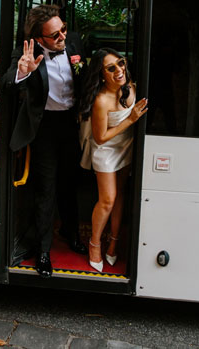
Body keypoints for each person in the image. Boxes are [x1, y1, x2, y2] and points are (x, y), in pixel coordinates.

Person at [1, 4, 88, 278]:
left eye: (63, 29)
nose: (63, 36)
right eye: (56, 35)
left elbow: (86, 80)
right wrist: (23, 72)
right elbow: (6, 84)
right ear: (40, 39)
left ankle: (72, 233)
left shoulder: (73, 42)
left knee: (69, 183)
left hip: (71, 124)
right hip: (44, 127)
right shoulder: (27, 52)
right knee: (46, 188)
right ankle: (43, 251)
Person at [80, 48, 148, 272]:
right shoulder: (101, 99)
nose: (119, 70)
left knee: (120, 195)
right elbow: (100, 138)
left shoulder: (133, 88)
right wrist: (131, 120)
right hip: (106, 150)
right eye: (111, 68)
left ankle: (114, 242)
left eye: (121, 63)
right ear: (101, 74)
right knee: (107, 199)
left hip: (126, 146)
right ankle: (95, 244)